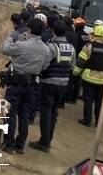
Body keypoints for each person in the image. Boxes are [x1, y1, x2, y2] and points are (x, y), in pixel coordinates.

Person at [0, 18, 52, 154]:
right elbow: (45, 66)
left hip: (16, 82)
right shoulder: (46, 50)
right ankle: (20, 145)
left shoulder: (22, 45)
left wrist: (11, 38)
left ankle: (9, 144)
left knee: (10, 114)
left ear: (29, 29)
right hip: (32, 84)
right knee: (24, 115)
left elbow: (5, 49)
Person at [29, 20, 75, 152]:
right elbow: (72, 65)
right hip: (63, 83)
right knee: (54, 112)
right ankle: (48, 140)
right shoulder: (71, 47)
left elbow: (44, 64)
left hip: (49, 82)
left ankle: (44, 143)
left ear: (53, 31)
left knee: (46, 112)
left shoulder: (51, 46)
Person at [73, 20, 103, 127]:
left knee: (88, 99)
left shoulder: (89, 46)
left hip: (89, 78)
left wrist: (75, 73)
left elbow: (80, 62)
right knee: (99, 101)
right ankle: (98, 121)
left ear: (95, 34)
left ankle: (87, 119)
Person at [66, 17, 89, 103]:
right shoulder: (87, 36)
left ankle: (69, 97)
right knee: (78, 81)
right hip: (84, 61)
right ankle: (75, 98)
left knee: (71, 80)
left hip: (76, 59)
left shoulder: (76, 35)